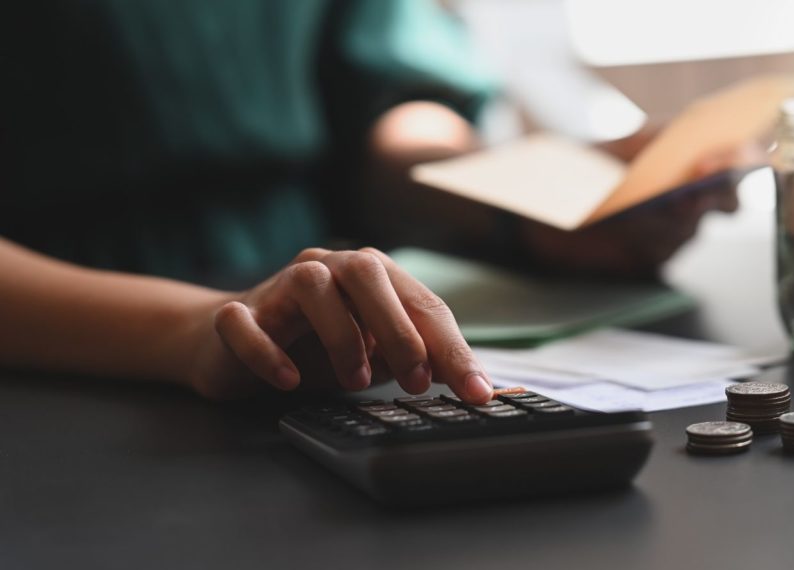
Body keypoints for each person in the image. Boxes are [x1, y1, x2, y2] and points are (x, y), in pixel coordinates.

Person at [0, 0, 744, 402]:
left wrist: (518, 198)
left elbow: (386, 112)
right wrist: (193, 331)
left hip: (318, 328)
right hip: (67, 360)